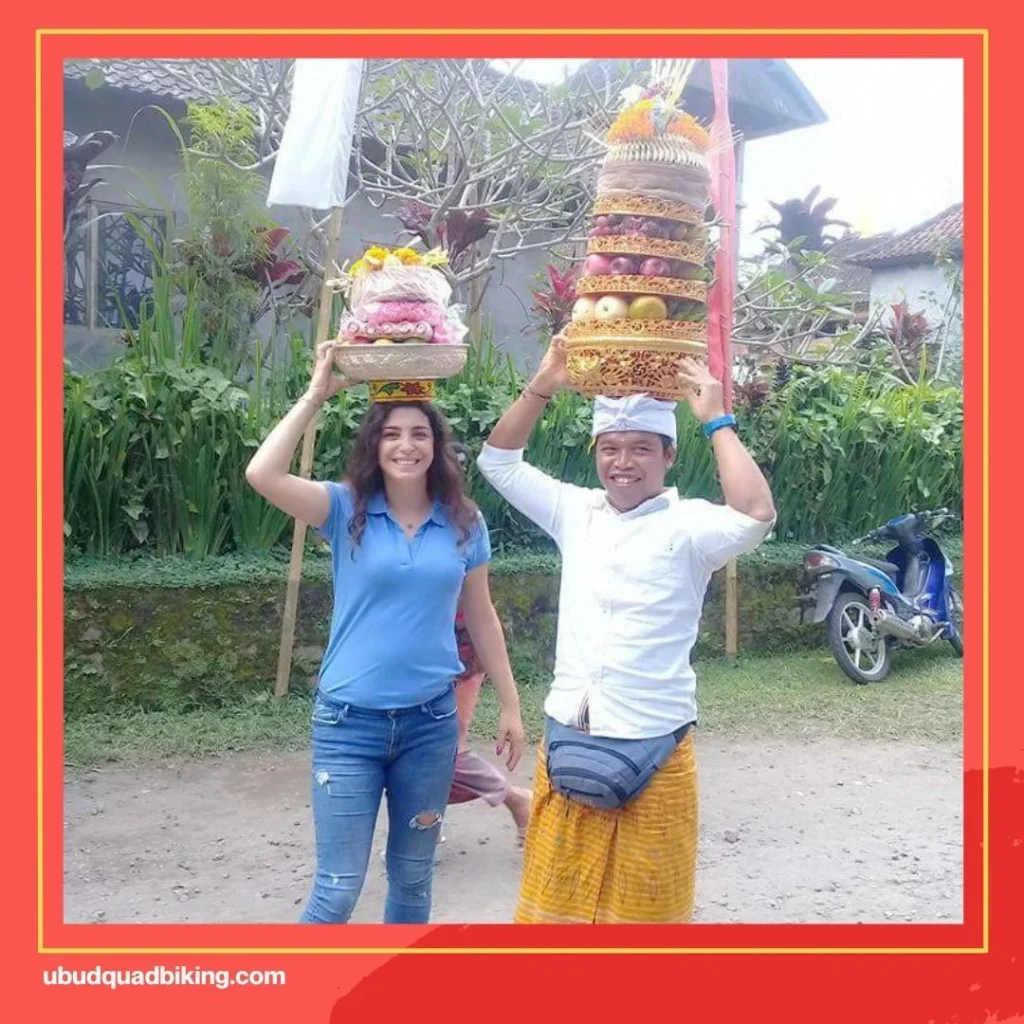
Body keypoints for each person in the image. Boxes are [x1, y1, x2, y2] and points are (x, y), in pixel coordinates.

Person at [476, 334, 775, 924]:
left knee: (648, 919)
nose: (622, 462)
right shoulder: (575, 511)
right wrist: (544, 384)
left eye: (641, 448)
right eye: (610, 448)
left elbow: (756, 514)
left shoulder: (692, 526)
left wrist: (716, 421)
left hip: (655, 743)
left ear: (668, 456)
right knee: (551, 915)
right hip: (569, 733)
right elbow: (497, 462)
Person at [245, 339, 525, 924]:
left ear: (437, 445)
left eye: (419, 434)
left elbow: (482, 615)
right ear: (375, 445)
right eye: (392, 433)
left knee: (413, 880)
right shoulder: (343, 508)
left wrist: (511, 701)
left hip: (430, 726)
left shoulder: (464, 523)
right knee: (338, 888)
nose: (406, 445)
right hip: (349, 725)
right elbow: (262, 473)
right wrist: (315, 395)